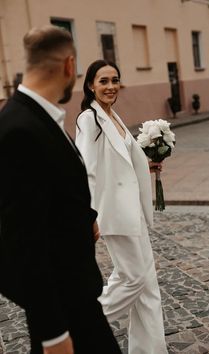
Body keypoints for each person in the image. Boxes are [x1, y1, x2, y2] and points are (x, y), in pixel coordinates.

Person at [0, 27, 122, 354]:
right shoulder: (18, 128)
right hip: (62, 308)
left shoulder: (42, 115)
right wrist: (53, 335)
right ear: (69, 65)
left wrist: (87, 216)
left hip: (77, 296)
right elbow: (22, 242)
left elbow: (54, 188)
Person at [75, 59, 168, 354]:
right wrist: (88, 214)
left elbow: (122, 160)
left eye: (114, 80)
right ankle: (78, 325)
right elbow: (86, 169)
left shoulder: (112, 114)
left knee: (148, 287)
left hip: (134, 212)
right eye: (103, 81)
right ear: (91, 85)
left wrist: (149, 165)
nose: (111, 86)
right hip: (114, 213)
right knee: (133, 279)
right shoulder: (88, 119)